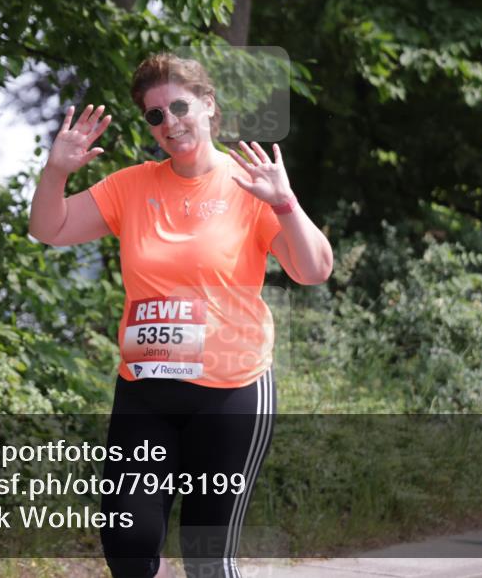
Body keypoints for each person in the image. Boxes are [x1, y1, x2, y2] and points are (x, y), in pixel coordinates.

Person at [29, 53, 333, 577]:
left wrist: (285, 203)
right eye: (155, 116)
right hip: (147, 391)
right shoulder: (131, 186)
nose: (169, 123)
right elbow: (49, 229)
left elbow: (314, 270)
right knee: (128, 542)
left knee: (206, 556)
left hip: (232, 390)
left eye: (179, 106)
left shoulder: (251, 185)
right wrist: (57, 170)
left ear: (208, 105)